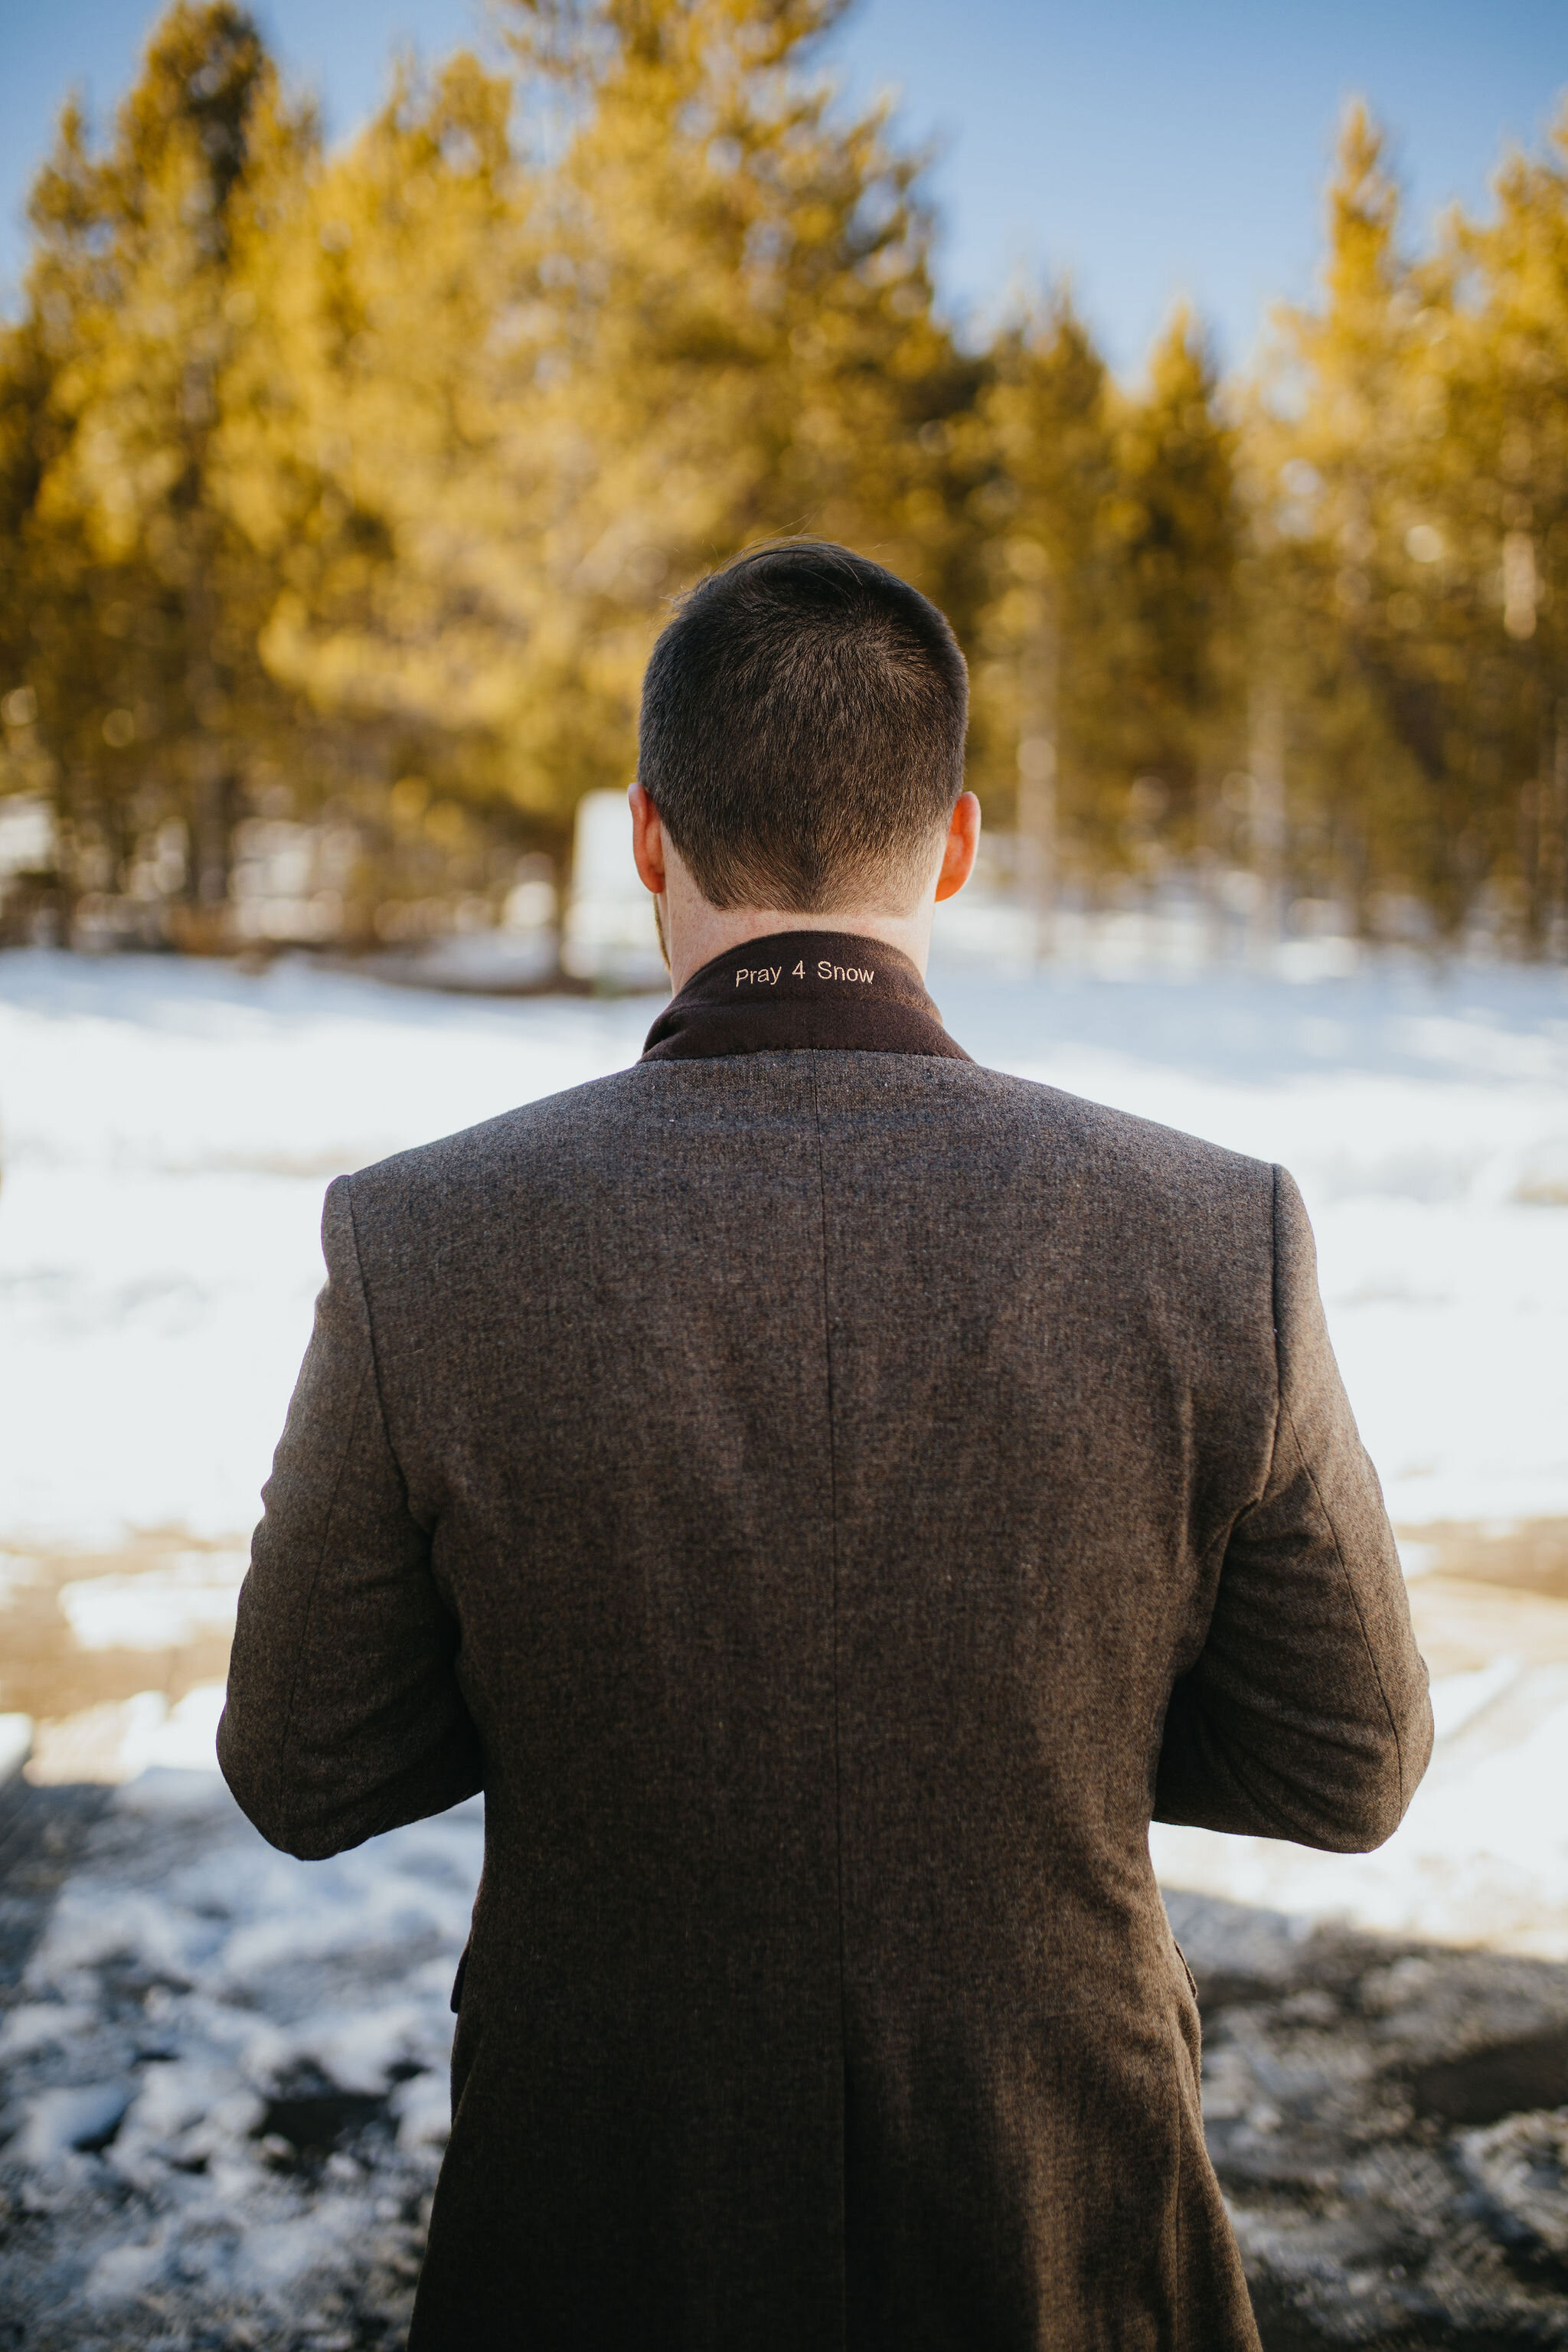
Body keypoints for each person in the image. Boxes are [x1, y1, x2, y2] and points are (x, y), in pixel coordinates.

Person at [219, 540, 1432, 2350]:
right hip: (1059, 2222)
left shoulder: (429, 1241)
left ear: (647, 837)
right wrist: (1035, 1713)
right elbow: (1347, 1762)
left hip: (596, 2219)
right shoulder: (1208, 1234)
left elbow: (306, 1768)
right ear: (950, 845)